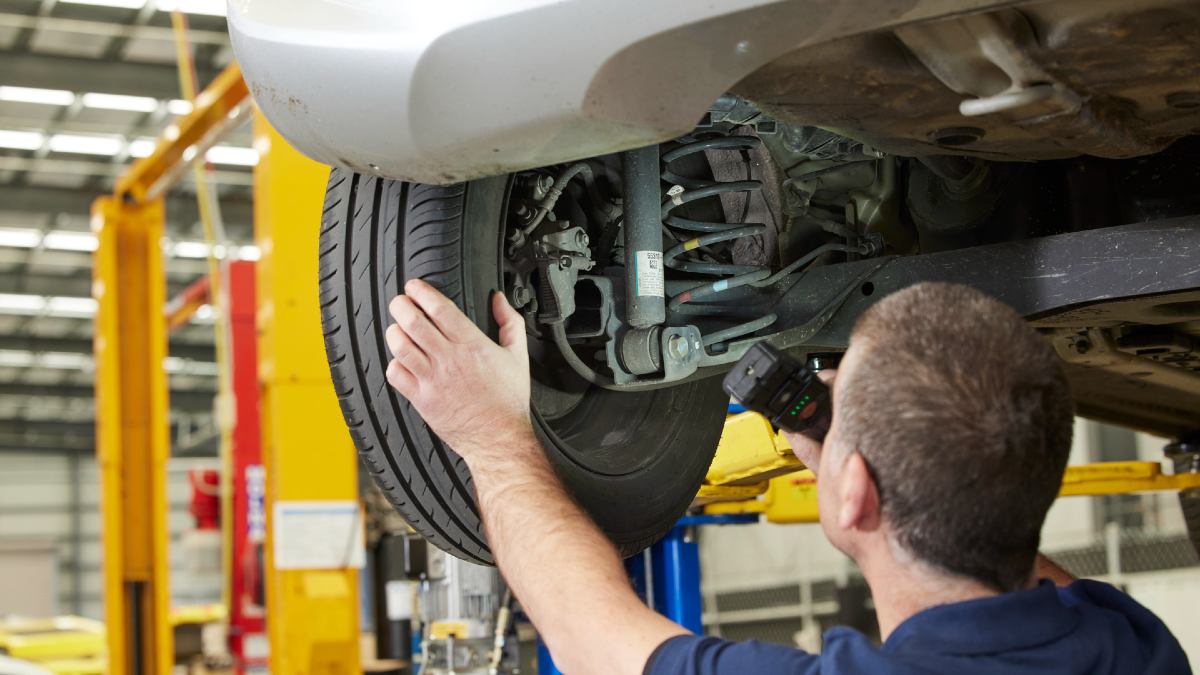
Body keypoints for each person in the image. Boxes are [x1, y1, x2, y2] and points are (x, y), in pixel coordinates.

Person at [383, 279, 1191, 675]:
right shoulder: (1131, 643)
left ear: (855, 491)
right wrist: (861, 456)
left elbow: (593, 641)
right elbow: (986, 508)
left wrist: (489, 435)